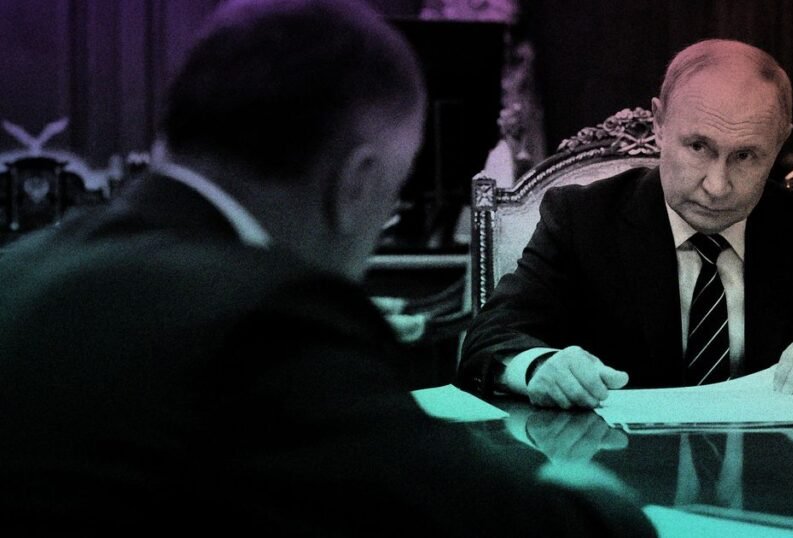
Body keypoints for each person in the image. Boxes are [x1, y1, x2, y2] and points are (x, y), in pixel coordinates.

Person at [0, 1, 656, 535]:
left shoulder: (20, 269)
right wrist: (587, 486)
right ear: (356, 184)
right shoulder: (269, 324)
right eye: (394, 191)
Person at [458, 39, 793, 408]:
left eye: (746, 156)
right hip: (618, 485)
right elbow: (489, 338)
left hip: (781, 495)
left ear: (780, 142)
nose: (718, 186)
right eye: (699, 147)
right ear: (659, 123)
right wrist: (540, 365)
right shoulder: (582, 218)